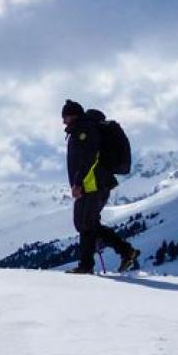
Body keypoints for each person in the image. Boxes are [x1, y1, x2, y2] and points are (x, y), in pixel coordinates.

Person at [62, 100, 140, 273]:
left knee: (84, 223)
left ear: (73, 115)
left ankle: (87, 265)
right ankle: (126, 252)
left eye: (65, 117)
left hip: (92, 183)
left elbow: (88, 158)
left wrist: (78, 183)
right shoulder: (83, 129)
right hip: (96, 183)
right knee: (89, 223)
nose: (63, 121)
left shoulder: (83, 130)